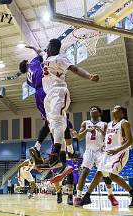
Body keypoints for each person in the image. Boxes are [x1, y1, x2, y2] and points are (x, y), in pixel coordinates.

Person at [27, 39, 99, 169]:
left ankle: (54, 153)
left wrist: (89, 76)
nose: (46, 50)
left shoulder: (60, 58)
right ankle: (61, 158)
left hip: (59, 91)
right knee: (53, 125)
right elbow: (39, 51)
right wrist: (32, 47)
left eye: (48, 47)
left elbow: (75, 69)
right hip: (48, 95)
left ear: (53, 48)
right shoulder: (45, 56)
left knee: (57, 120)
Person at [80, 106, 133, 208]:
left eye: (116, 108)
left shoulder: (124, 123)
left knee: (112, 175)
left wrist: (117, 150)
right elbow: (107, 139)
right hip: (108, 153)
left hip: (119, 152)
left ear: (121, 112)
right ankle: (87, 196)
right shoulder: (109, 124)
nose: (113, 109)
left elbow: (130, 141)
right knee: (99, 173)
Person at [69, 106, 117, 206]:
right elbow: (79, 137)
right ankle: (78, 196)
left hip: (101, 150)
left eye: (95, 109)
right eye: (91, 109)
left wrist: (102, 131)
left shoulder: (104, 124)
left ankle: (110, 195)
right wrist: (86, 131)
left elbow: (109, 137)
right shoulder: (85, 123)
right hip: (89, 150)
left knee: (105, 173)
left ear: (99, 113)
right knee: (84, 171)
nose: (92, 110)